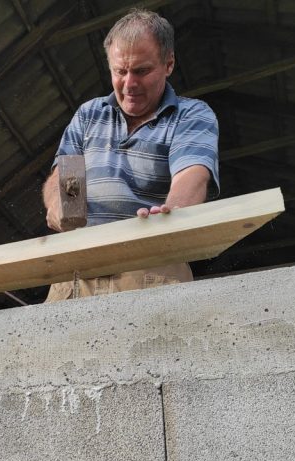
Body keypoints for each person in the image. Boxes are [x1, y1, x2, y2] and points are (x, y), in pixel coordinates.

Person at [43, 8, 219, 301]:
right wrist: (61, 205)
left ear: (169, 63)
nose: (129, 84)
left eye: (141, 71)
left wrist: (170, 215)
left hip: (151, 269)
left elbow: (193, 177)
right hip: (77, 275)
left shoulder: (190, 115)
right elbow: (66, 177)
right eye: (120, 71)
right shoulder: (89, 115)